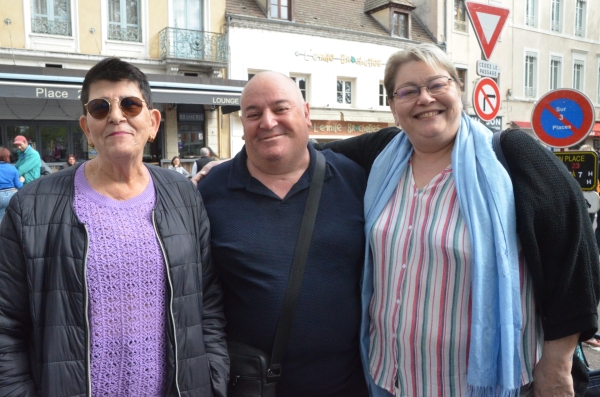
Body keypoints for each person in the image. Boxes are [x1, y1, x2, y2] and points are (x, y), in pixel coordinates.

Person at [313, 43, 599, 396]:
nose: (424, 98)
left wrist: (557, 365)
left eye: (437, 85)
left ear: (458, 90)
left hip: (478, 384)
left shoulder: (511, 155)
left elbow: (575, 254)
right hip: (391, 378)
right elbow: (309, 154)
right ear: (393, 106)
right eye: (408, 91)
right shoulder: (383, 153)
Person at [0, 57, 227, 396]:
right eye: (100, 107)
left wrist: (212, 379)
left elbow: (207, 303)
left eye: (130, 105)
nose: (117, 116)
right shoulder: (31, 206)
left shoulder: (183, 195)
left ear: (152, 123)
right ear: (87, 127)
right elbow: (5, 325)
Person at [197, 71, 369, 397]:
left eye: (280, 108)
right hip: (252, 387)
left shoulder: (356, 180)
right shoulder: (209, 193)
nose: (267, 121)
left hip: (349, 385)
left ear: (306, 114)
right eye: (253, 114)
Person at [0, 147, 22, 221]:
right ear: (7, 156)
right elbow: (18, 186)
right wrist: (21, 180)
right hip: (12, 195)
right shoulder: (13, 168)